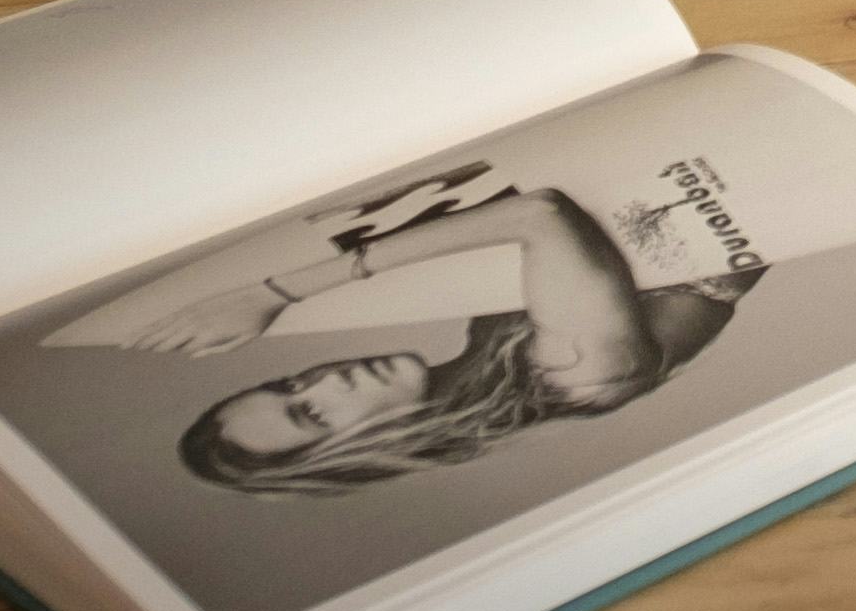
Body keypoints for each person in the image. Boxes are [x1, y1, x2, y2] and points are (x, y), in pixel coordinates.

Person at [85, 170, 753, 497]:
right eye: (310, 410)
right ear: (358, 453)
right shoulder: (577, 376)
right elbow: (541, 214)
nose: (322, 378)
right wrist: (276, 290)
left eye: (289, 381)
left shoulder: (488, 348)